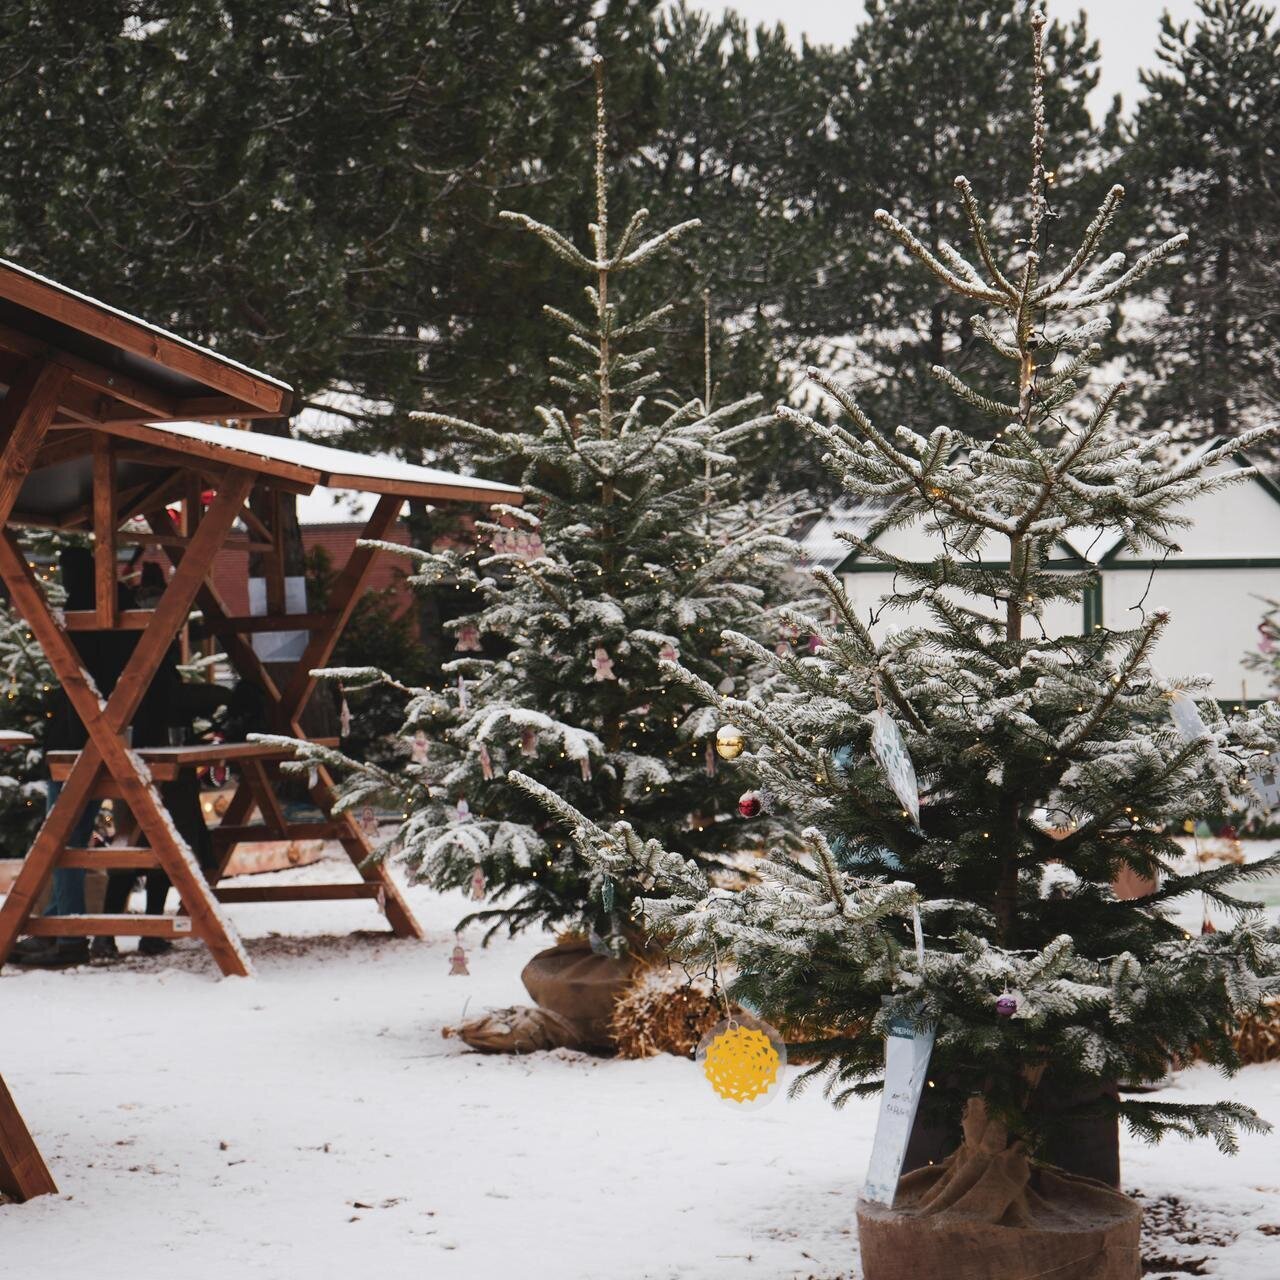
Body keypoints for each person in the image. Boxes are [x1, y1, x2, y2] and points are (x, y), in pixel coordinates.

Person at [10, 548, 131, 967]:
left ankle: (67, 933)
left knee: (63, 839)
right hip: (100, 738)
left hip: (72, 742)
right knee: (69, 839)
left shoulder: (78, 618)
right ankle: (63, 925)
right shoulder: (120, 610)